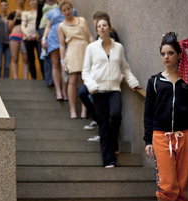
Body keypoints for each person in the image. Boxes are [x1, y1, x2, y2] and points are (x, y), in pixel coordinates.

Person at [144, 32, 188, 201]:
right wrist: (148, 140)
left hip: (186, 136)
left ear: (179, 55)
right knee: (168, 186)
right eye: (163, 54)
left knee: (182, 190)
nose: (166, 57)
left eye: (170, 53)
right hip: (161, 137)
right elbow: (148, 114)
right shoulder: (154, 81)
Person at [82, 17, 141, 168]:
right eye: (99, 26)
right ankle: (108, 160)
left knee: (115, 116)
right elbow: (86, 71)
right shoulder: (91, 48)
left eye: (104, 25)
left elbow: (125, 68)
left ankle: (114, 143)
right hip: (98, 91)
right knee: (103, 124)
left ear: (109, 28)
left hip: (114, 89)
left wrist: (133, 82)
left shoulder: (119, 47)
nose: (102, 28)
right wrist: (92, 85)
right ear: (97, 30)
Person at [79, 11, 119, 142]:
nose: (97, 25)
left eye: (100, 23)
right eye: (97, 24)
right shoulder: (97, 40)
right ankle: (97, 121)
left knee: (111, 113)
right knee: (83, 93)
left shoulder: (111, 36)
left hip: (107, 81)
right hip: (95, 77)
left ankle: (102, 129)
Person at [58, 0, 94, 119]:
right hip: (72, 53)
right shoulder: (61, 26)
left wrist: (96, 50)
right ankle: (72, 110)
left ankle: (85, 110)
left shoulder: (82, 20)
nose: (67, 11)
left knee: (85, 81)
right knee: (72, 81)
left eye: (68, 9)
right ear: (61, 12)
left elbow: (89, 37)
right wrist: (62, 60)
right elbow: (62, 45)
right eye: (64, 10)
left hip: (85, 50)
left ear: (72, 8)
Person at [41, 0, 77, 101]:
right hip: (53, 38)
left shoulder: (73, 11)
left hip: (67, 39)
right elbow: (48, 27)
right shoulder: (51, 12)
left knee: (65, 65)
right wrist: (44, 38)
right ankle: (58, 91)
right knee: (55, 64)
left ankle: (64, 91)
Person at [21, 0, 43, 80]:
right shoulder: (25, 13)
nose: (32, 2)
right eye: (30, 1)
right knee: (31, 58)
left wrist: (37, 34)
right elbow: (23, 26)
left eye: (34, 0)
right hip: (28, 38)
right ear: (28, 3)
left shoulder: (41, 11)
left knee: (41, 57)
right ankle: (34, 78)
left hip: (38, 37)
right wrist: (27, 35)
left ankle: (44, 77)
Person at [37, 0, 57, 86]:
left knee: (53, 53)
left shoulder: (59, 2)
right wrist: (37, 31)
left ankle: (54, 79)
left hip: (54, 28)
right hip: (43, 26)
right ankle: (48, 79)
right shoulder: (41, 2)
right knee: (46, 52)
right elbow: (38, 17)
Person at [8, 0, 29, 79]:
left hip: (25, 37)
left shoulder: (28, 13)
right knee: (15, 58)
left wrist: (23, 16)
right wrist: (16, 16)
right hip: (14, 36)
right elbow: (9, 27)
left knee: (26, 58)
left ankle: (25, 78)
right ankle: (15, 78)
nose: (20, 1)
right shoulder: (12, 14)